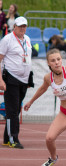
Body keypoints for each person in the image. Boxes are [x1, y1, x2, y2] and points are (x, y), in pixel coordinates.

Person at [0, 17, 32, 149]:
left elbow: (27, 57)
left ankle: (7, 138)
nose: (22, 29)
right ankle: (14, 139)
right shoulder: (7, 39)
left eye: (24, 26)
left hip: (24, 80)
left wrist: (29, 77)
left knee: (15, 110)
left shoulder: (27, 39)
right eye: (20, 26)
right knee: (12, 111)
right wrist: (0, 80)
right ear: (15, 27)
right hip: (10, 78)